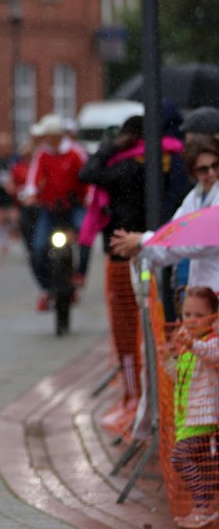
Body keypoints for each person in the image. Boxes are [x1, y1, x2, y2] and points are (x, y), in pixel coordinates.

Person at [78, 114, 186, 433]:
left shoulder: (127, 166)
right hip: (154, 251)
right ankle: (141, 399)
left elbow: (88, 173)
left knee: (128, 333)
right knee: (148, 332)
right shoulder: (172, 160)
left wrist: (109, 147)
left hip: (126, 254)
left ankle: (134, 398)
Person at [111, 135, 219, 294]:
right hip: (203, 293)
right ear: (193, 172)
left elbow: (201, 242)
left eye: (216, 165)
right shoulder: (194, 197)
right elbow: (173, 234)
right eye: (203, 169)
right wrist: (138, 247)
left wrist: (143, 241)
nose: (212, 173)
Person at [162, 286, 219, 529]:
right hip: (188, 417)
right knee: (205, 465)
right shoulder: (187, 346)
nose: (192, 320)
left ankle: (202, 506)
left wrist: (193, 344)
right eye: (187, 315)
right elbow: (181, 378)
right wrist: (168, 360)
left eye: (199, 315)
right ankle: (203, 509)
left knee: (181, 456)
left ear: (213, 317)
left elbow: (211, 355)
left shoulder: (211, 341)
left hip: (204, 418)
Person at [23, 116, 87, 308]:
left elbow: (88, 176)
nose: (44, 139)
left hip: (74, 206)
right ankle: (46, 288)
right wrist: (30, 194)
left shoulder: (75, 152)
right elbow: (33, 179)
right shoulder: (42, 154)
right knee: (38, 249)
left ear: (55, 135)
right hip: (50, 208)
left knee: (84, 234)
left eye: (46, 135)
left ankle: (80, 273)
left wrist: (89, 197)